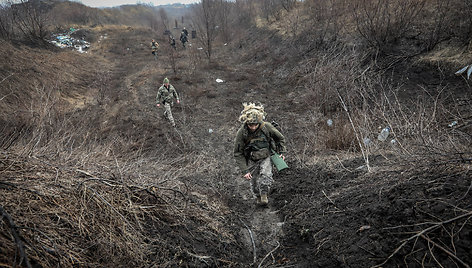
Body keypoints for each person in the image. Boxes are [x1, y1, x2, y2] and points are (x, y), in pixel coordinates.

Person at [233, 103, 286, 206]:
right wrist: (245, 170)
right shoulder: (242, 132)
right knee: (253, 180)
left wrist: (282, 152)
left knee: (266, 176)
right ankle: (257, 196)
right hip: (252, 158)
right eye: (250, 125)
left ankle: (264, 195)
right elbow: (238, 153)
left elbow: (280, 138)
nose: (253, 127)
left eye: (255, 125)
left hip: (266, 156)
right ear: (247, 123)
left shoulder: (266, 127)